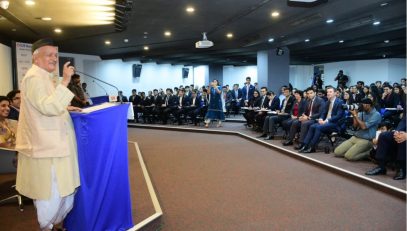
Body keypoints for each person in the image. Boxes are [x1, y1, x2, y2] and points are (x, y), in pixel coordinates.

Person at [15, 38, 81, 231]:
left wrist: (66, 106)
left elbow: (46, 103)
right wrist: (66, 81)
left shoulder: (44, 76)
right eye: (49, 55)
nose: (54, 58)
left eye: (55, 55)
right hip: (47, 148)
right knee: (50, 193)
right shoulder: (34, 77)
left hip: (55, 146)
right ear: (36, 58)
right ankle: (46, 228)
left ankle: (54, 226)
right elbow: (48, 107)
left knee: (63, 193)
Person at [299, 86, 345, 153]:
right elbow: (323, 113)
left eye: (330, 92)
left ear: (335, 93)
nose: (328, 93)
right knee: (312, 126)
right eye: (327, 92)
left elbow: (338, 116)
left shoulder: (340, 102)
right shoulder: (327, 102)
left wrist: (326, 121)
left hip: (335, 124)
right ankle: (305, 145)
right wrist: (321, 119)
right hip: (326, 122)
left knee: (318, 127)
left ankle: (312, 147)